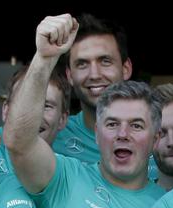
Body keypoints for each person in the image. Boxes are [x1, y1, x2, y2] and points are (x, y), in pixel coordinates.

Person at [9, 15, 168, 208]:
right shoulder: (65, 178)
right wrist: (44, 59)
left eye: (137, 125)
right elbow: (19, 143)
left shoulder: (172, 204)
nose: (123, 134)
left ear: (157, 138)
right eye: (112, 124)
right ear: (96, 134)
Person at [51, 14, 133, 164]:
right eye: (82, 64)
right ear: (69, 75)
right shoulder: (53, 135)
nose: (94, 75)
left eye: (105, 61)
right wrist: (42, 57)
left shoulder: (162, 135)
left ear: (126, 69)